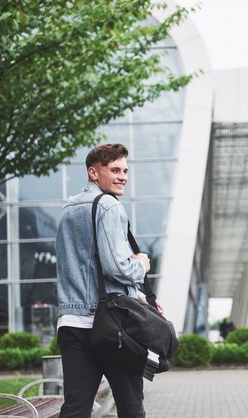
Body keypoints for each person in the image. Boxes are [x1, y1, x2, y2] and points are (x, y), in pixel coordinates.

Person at [56, 143, 158, 417]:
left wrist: (135, 295)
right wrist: (141, 265)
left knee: (75, 407)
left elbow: (85, 268)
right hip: (112, 328)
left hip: (72, 323)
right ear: (93, 172)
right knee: (131, 406)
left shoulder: (68, 208)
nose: (123, 176)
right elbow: (117, 268)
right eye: (114, 170)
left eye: (125, 170)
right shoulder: (109, 206)